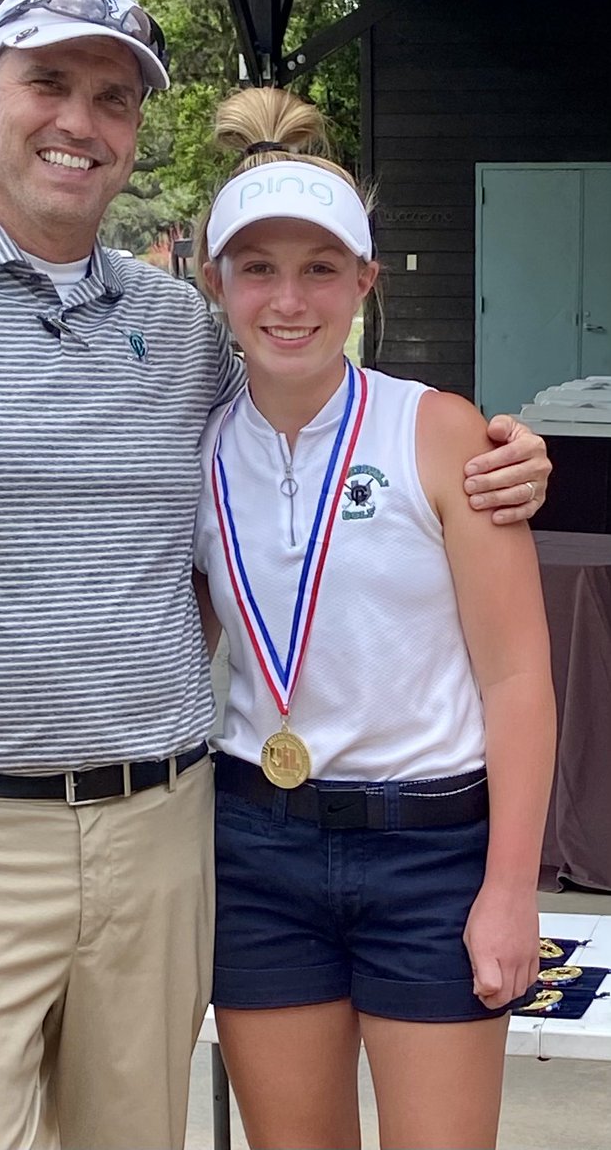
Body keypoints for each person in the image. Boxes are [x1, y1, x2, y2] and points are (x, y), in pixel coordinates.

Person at [0, 0, 549, 1150]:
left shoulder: (170, 332)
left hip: (166, 831)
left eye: (113, 99)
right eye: (47, 83)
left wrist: (508, 452)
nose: (79, 122)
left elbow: (280, 478)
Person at [192, 87, 556, 1150]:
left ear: (365, 280)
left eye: (318, 269)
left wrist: (509, 890)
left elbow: (519, 680)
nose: (288, 299)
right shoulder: (194, 445)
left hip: (429, 853)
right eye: (258, 268)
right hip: (258, 846)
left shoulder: (439, 433)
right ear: (216, 282)